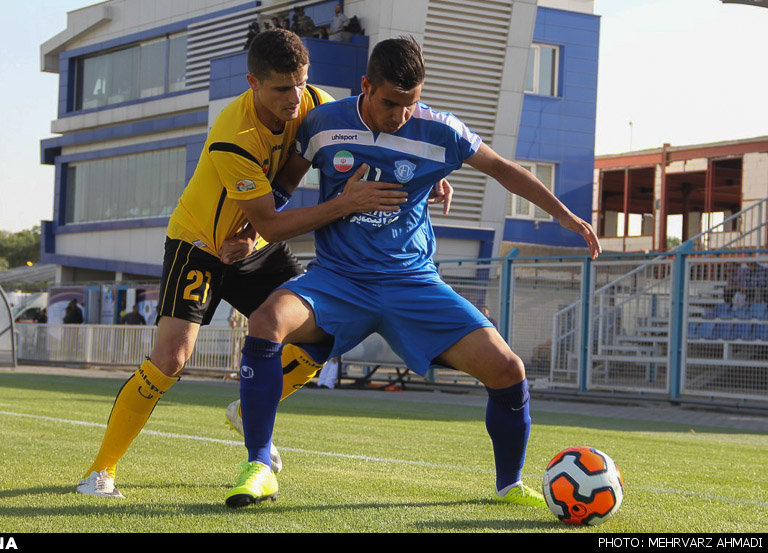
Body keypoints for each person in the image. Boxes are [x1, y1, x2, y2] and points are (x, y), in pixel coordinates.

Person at [223, 36, 601, 509]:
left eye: (411, 103)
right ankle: (259, 465)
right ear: (366, 86)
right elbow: (282, 188)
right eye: (389, 102)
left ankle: (509, 486)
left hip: (412, 282)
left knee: (508, 369)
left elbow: (503, 169)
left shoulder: (441, 130)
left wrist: (564, 215)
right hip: (338, 279)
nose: (400, 114)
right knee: (266, 321)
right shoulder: (322, 124)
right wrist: (248, 234)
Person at [75, 28, 414, 499]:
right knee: (171, 360)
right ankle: (100, 472)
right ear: (253, 82)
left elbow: (377, 128)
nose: (295, 98)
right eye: (281, 88)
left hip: (254, 243)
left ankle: (248, 408)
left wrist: (427, 178)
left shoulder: (314, 100)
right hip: (201, 245)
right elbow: (274, 223)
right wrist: (342, 205)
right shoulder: (232, 137)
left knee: (326, 331)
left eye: (300, 82)